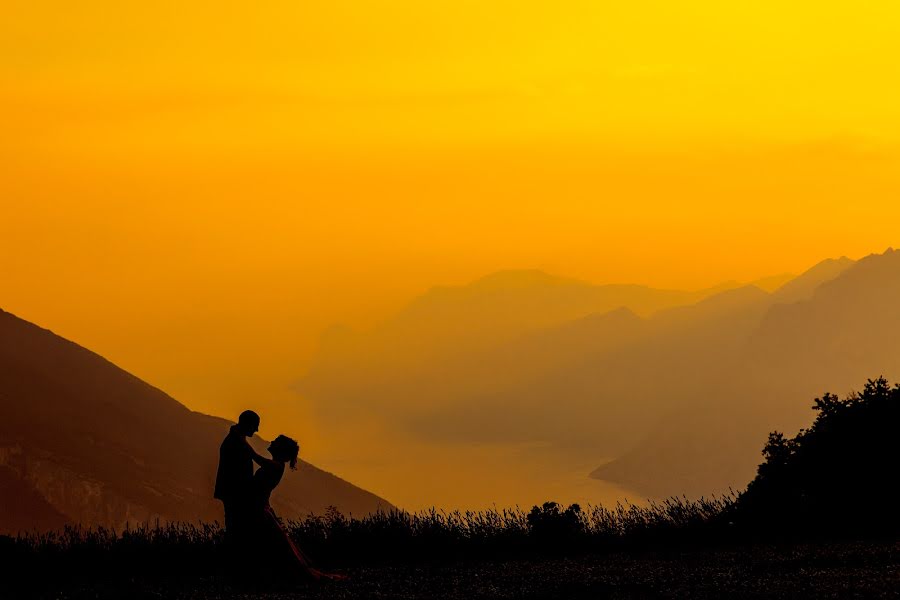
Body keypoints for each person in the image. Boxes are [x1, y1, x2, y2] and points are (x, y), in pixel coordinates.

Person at [248, 435, 345, 582]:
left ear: (280, 449)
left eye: (275, 441)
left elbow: (255, 457)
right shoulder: (277, 465)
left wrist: (240, 440)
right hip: (261, 506)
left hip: (259, 508)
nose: (271, 442)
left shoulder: (276, 465)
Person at [214, 410, 267, 544]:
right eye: (255, 425)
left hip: (234, 493)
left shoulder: (237, 439)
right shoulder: (237, 441)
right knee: (236, 530)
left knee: (235, 528)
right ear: (247, 424)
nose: (257, 429)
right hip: (235, 493)